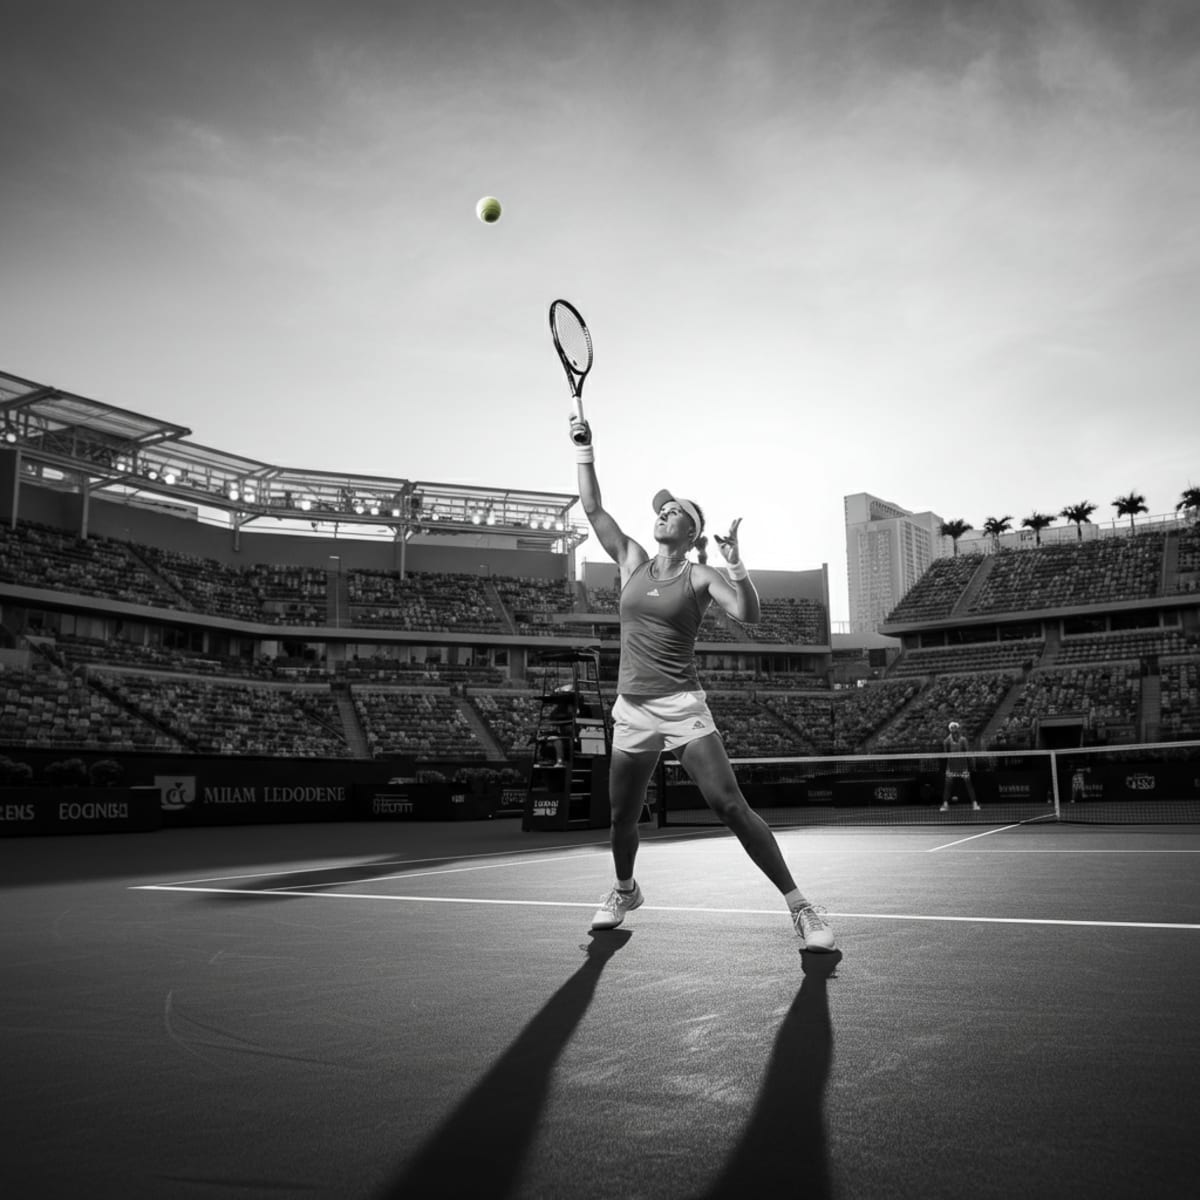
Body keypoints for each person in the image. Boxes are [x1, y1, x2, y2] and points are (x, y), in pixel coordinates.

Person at [569, 413, 835, 952]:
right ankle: (625, 889)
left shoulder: (699, 575)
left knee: (729, 805)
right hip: (631, 710)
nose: (663, 514)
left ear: (690, 532)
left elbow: (747, 613)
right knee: (622, 815)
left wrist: (737, 565)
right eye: (661, 510)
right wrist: (585, 449)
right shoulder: (632, 562)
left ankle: (802, 907)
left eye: (673, 512)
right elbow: (593, 508)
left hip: (681, 705)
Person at [940, 720, 980, 812]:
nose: (954, 729)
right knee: (948, 786)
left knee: (969, 785)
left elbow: (966, 752)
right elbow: (946, 754)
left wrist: (970, 764)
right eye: (952, 728)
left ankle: (974, 803)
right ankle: (945, 804)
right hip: (951, 766)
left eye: (955, 727)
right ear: (950, 729)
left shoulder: (963, 740)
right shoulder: (946, 741)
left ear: (958, 729)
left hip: (963, 766)